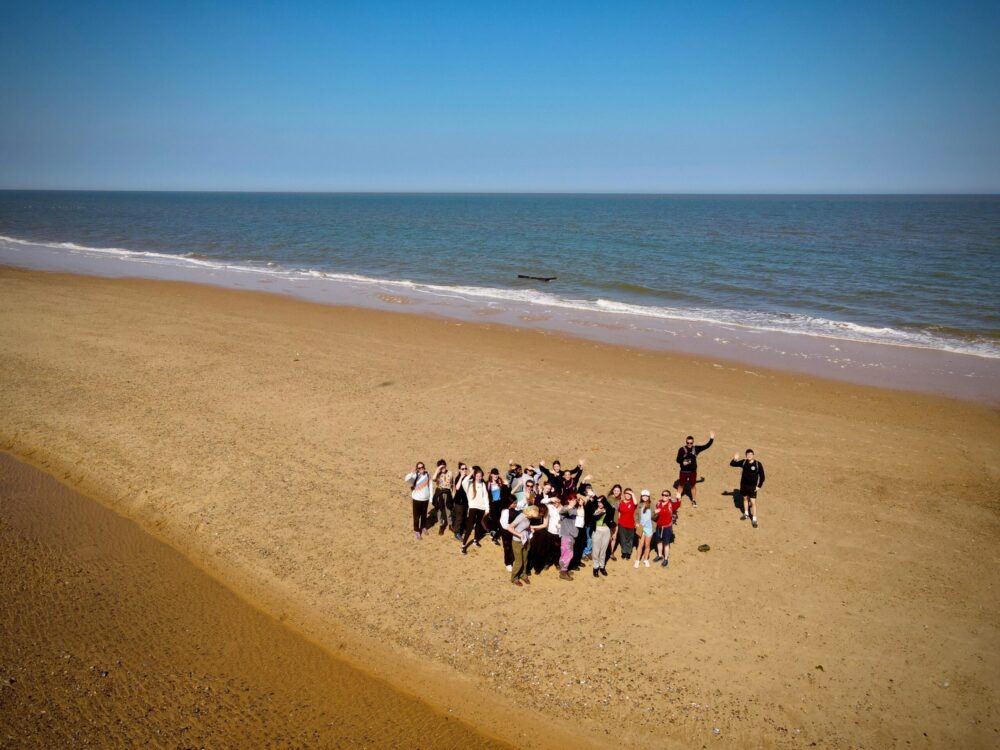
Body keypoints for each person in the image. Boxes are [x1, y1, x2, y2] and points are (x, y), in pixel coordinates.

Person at [506, 505, 544, 586]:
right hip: (517, 541)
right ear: (530, 512)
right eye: (533, 515)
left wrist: (530, 528)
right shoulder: (521, 517)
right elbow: (509, 527)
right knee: (519, 561)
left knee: (525, 559)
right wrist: (519, 534)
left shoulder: (528, 517)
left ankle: (523, 575)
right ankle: (514, 577)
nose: (533, 517)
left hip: (526, 540)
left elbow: (525, 526)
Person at [675, 432, 715, 506]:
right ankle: (678, 498)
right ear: (686, 442)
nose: (689, 444)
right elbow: (677, 459)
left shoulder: (696, 448)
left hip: (692, 471)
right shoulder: (681, 449)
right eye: (688, 442)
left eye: (691, 443)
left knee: (693, 486)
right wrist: (682, 462)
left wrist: (711, 438)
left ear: (693, 442)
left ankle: (693, 500)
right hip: (683, 471)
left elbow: (706, 446)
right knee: (681, 485)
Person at [730, 449, 766, 527]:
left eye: (750, 454)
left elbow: (762, 477)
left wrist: (759, 486)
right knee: (745, 499)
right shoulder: (743, 462)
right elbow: (732, 464)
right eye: (747, 454)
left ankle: (754, 519)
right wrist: (735, 458)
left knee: (753, 502)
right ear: (746, 456)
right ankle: (746, 514)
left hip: (752, 487)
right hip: (744, 485)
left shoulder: (758, 464)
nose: (749, 455)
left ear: (753, 455)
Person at [460, 466, 490, 554]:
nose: (479, 478)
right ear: (474, 476)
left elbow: (485, 497)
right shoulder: (469, 483)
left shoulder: (483, 484)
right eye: (477, 476)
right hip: (473, 507)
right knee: (469, 527)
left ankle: (475, 540)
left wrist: (487, 509)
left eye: (480, 476)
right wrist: (470, 473)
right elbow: (463, 482)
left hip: (482, 508)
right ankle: (463, 545)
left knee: (478, 525)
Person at [404, 461, 433, 540]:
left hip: (425, 499)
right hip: (416, 499)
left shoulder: (427, 474)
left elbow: (430, 486)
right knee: (416, 516)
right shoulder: (415, 476)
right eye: (419, 468)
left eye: (422, 467)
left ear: (424, 467)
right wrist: (411, 473)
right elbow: (406, 479)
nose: (421, 469)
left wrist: (431, 498)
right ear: (417, 469)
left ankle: (423, 527)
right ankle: (417, 531)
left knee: (424, 515)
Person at [652, 490, 681, 567]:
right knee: (659, 542)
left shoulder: (671, 504)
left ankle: (666, 559)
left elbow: (678, 503)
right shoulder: (659, 503)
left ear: (669, 496)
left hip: (667, 527)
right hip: (659, 526)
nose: (664, 496)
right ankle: (660, 555)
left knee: (666, 543)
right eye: (663, 495)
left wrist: (679, 496)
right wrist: (655, 512)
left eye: (666, 495)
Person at [589, 495, 614, 577]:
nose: (599, 504)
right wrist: (596, 498)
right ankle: (595, 567)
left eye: (601, 502)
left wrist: (603, 501)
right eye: (598, 502)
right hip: (596, 531)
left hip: (606, 531)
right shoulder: (594, 509)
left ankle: (602, 566)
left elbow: (611, 508)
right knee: (596, 550)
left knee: (603, 550)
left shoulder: (608, 510)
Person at [557, 497, 582, 580]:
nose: (575, 501)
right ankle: (563, 572)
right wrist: (570, 506)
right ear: (568, 500)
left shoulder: (575, 509)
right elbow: (562, 511)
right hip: (566, 534)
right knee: (567, 554)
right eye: (572, 499)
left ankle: (565, 569)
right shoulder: (565, 508)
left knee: (567, 553)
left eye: (575, 499)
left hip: (573, 534)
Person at [431, 459, 453, 536]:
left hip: (447, 493)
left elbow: (452, 484)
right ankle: (441, 525)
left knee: (448, 509)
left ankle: (450, 524)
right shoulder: (437, 473)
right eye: (441, 466)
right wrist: (438, 469)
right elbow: (433, 479)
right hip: (439, 493)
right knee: (439, 510)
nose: (443, 467)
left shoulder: (450, 473)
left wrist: (453, 494)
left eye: (444, 465)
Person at [486, 468, 508, 543]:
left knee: (499, 519)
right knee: (494, 519)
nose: (496, 475)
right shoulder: (488, 484)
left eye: (497, 474)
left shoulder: (500, 483)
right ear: (491, 475)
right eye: (494, 474)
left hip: (499, 503)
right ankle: (494, 535)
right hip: (493, 504)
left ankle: (495, 533)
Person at [450, 463, 470, 540]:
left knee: (464, 516)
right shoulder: (458, 477)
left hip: (466, 501)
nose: (464, 470)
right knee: (459, 517)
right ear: (459, 470)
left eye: (465, 468)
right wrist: (461, 477)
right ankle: (457, 532)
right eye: (462, 469)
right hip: (459, 502)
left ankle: (462, 528)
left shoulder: (468, 478)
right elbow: (457, 488)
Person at [616, 488, 638, 560]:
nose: (628, 495)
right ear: (624, 494)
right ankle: (624, 551)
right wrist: (618, 522)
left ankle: (628, 552)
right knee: (622, 539)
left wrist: (632, 494)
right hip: (622, 523)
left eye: (629, 494)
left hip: (631, 524)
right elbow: (619, 512)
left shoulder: (632, 502)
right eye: (626, 493)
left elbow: (636, 503)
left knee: (630, 539)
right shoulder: (621, 502)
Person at [635, 496, 654, 568]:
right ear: (641, 497)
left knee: (647, 545)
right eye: (643, 496)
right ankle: (637, 560)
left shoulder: (652, 505)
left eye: (646, 496)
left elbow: (654, 517)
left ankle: (646, 560)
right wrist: (636, 522)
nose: (645, 497)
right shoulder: (639, 505)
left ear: (648, 497)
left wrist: (656, 513)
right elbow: (636, 515)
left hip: (649, 528)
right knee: (640, 544)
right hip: (641, 527)